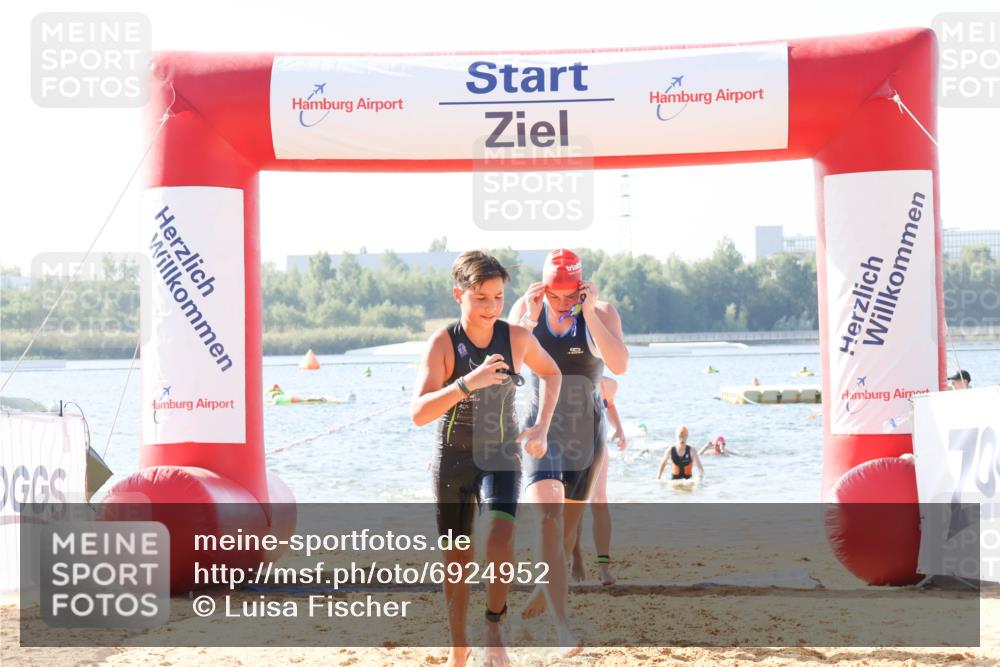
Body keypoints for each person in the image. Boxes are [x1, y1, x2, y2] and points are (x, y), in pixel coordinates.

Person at [411, 250, 562, 667]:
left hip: (501, 456)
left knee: (499, 537)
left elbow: (552, 373)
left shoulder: (516, 339)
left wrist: (541, 427)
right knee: (457, 562)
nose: (491, 307)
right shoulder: (442, 343)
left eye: (498, 297)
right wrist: (467, 383)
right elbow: (419, 412)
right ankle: (459, 648)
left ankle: (494, 627)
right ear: (458, 294)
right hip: (453, 460)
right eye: (481, 298)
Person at [508, 248, 628, 655]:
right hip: (540, 431)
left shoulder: (603, 312)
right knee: (547, 520)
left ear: (583, 287)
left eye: (570, 295)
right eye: (554, 295)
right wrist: (526, 320)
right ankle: (563, 630)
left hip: (586, 434)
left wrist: (589, 313)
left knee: (566, 534)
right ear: (543, 287)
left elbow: (620, 365)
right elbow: (504, 369)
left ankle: (544, 588)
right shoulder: (526, 309)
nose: (561, 303)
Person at [569, 376, 626, 586]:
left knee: (600, 501)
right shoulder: (570, 377)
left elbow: (609, 404)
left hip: (598, 446)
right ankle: (576, 556)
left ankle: (603, 567)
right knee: (575, 505)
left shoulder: (608, 384)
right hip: (572, 447)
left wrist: (619, 428)